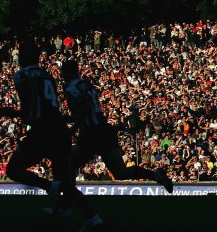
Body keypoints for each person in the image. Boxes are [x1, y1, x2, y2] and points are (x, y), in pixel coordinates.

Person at [0, 41, 101, 230]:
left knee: (14, 169)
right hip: (59, 129)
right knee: (64, 182)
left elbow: (34, 104)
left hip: (43, 130)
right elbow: (49, 104)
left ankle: (48, 187)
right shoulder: (46, 74)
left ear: (22, 57)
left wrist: (17, 114)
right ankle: (91, 215)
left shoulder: (22, 75)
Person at [60, 59, 173, 193]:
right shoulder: (87, 84)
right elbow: (90, 109)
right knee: (120, 172)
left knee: (69, 165)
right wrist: (69, 119)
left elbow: (85, 108)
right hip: (104, 130)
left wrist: (73, 128)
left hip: (91, 132)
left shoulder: (70, 87)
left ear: (65, 73)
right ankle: (155, 175)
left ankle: (68, 202)